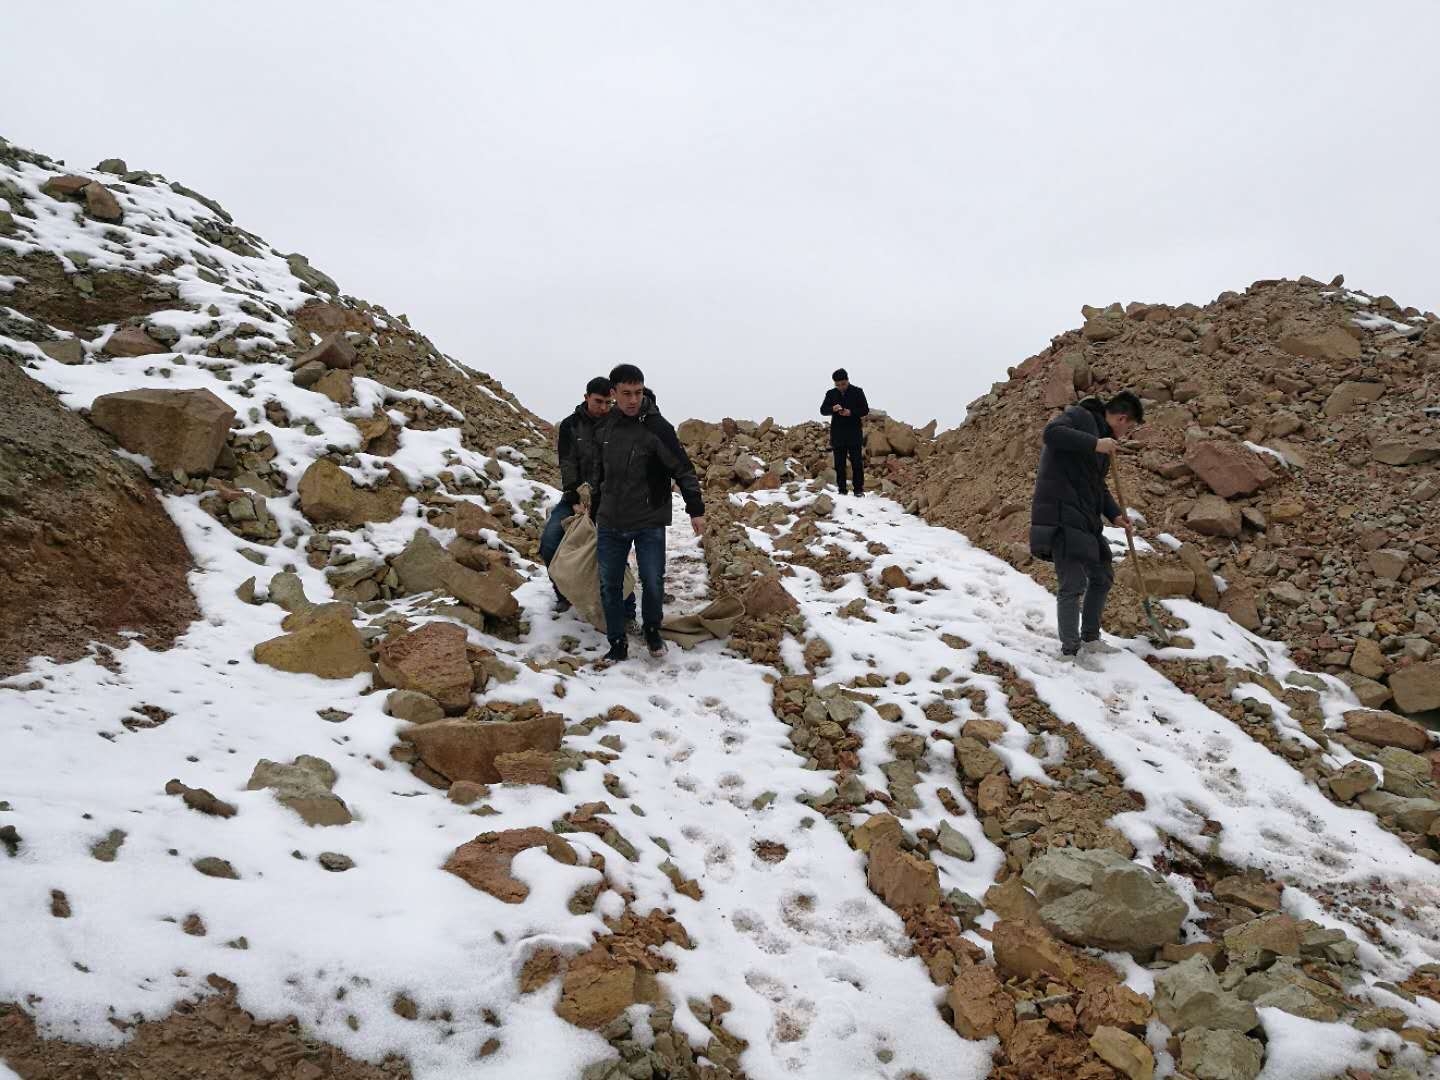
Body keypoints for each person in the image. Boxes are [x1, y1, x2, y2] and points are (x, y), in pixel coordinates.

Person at [592, 364, 705, 661]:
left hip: (649, 518)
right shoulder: (604, 427)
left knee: (653, 580)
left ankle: (652, 630)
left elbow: (683, 469)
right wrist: (592, 509)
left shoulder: (658, 427)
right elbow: (597, 472)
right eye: (626, 393)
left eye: (638, 392)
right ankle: (617, 642)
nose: (633, 400)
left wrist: (695, 509)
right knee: (610, 584)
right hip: (611, 520)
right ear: (613, 393)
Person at [1028, 391, 1144, 669]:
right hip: (1060, 514)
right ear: (1121, 418)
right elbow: (1051, 434)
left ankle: (1090, 637)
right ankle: (1070, 650)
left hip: (1084, 519)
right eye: (1129, 427)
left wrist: (1115, 515)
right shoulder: (1080, 416)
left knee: (1102, 576)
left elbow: (1097, 486)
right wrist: (1095, 443)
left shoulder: (1103, 443)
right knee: (1073, 584)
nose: (1126, 433)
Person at [539, 376, 613, 612]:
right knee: (550, 542)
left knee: (609, 549)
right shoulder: (570, 425)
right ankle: (564, 594)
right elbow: (567, 463)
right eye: (598, 401)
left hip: (609, 500)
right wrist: (574, 498)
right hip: (576, 498)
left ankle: (610, 598)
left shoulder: (616, 424)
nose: (603, 408)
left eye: (608, 403)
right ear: (586, 397)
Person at [819, 368, 870, 496]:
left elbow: (865, 410)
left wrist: (851, 412)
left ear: (847, 380)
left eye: (843, 384)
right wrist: (833, 408)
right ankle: (842, 490)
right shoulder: (831, 394)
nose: (841, 387)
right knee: (839, 464)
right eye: (838, 385)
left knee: (857, 463)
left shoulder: (857, 392)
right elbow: (823, 410)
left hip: (854, 433)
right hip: (838, 434)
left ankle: (858, 490)